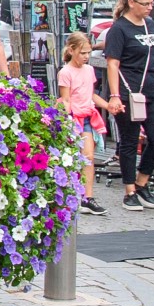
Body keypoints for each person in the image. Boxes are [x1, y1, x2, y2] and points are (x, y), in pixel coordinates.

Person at [102, 0, 154, 212]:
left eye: (152, 3)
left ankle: (142, 181)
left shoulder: (150, 25)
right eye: (145, 3)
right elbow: (113, 64)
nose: (150, 7)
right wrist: (114, 95)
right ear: (131, 3)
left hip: (152, 91)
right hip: (129, 92)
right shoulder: (119, 29)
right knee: (130, 140)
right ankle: (129, 190)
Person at [57, 32, 108, 215]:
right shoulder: (65, 72)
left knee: (88, 156)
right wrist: (66, 119)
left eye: (88, 53)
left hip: (86, 116)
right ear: (71, 50)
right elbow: (66, 99)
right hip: (73, 117)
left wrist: (107, 106)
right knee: (71, 158)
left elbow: (90, 94)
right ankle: (71, 194)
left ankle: (87, 197)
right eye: (83, 53)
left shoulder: (89, 70)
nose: (86, 56)